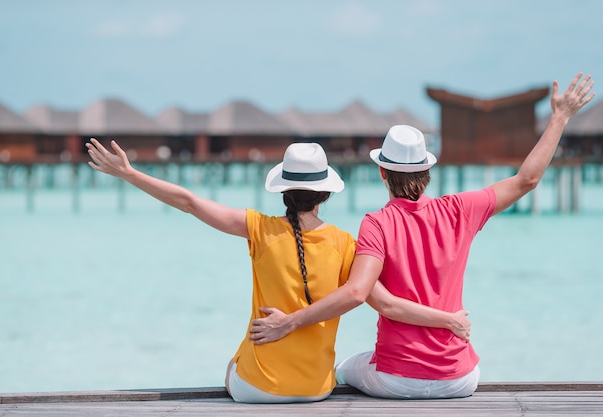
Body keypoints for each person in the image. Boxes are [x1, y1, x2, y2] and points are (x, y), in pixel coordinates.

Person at [249, 72, 595, 399]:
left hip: (395, 379)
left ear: (382, 172)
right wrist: (560, 117)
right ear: (427, 171)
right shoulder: (460, 209)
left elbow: (359, 293)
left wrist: (290, 323)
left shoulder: (376, 224)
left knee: (343, 368)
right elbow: (526, 180)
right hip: (460, 379)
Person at [85, 140, 469, 403]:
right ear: (327, 193)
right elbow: (383, 302)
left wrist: (131, 175)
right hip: (317, 388)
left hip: (257, 389)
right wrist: (447, 319)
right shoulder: (345, 244)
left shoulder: (258, 228)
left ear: (283, 191)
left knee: (233, 365)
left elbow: (189, 202)